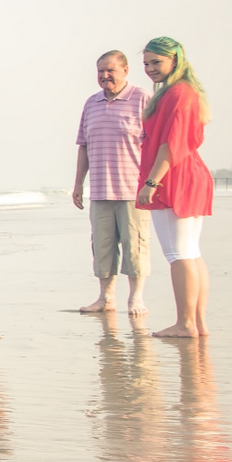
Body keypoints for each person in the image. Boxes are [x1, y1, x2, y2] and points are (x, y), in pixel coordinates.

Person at [135, 37, 212, 338]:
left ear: (175, 59)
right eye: (147, 64)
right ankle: (197, 323)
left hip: (176, 177)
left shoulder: (178, 93)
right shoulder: (181, 92)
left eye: (157, 62)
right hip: (189, 173)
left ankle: (186, 323)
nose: (151, 68)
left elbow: (172, 143)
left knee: (178, 253)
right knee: (190, 252)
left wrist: (151, 182)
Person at [73, 50, 151, 315]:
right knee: (102, 246)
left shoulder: (141, 98)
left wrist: (151, 184)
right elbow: (83, 146)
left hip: (133, 190)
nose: (105, 76)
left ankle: (136, 299)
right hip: (100, 189)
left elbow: (154, 144)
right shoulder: (91, 103)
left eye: (111, 70)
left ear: (125, 70)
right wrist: (77, 185)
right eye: (100, 72)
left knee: (135, 246)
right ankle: (106, 298)